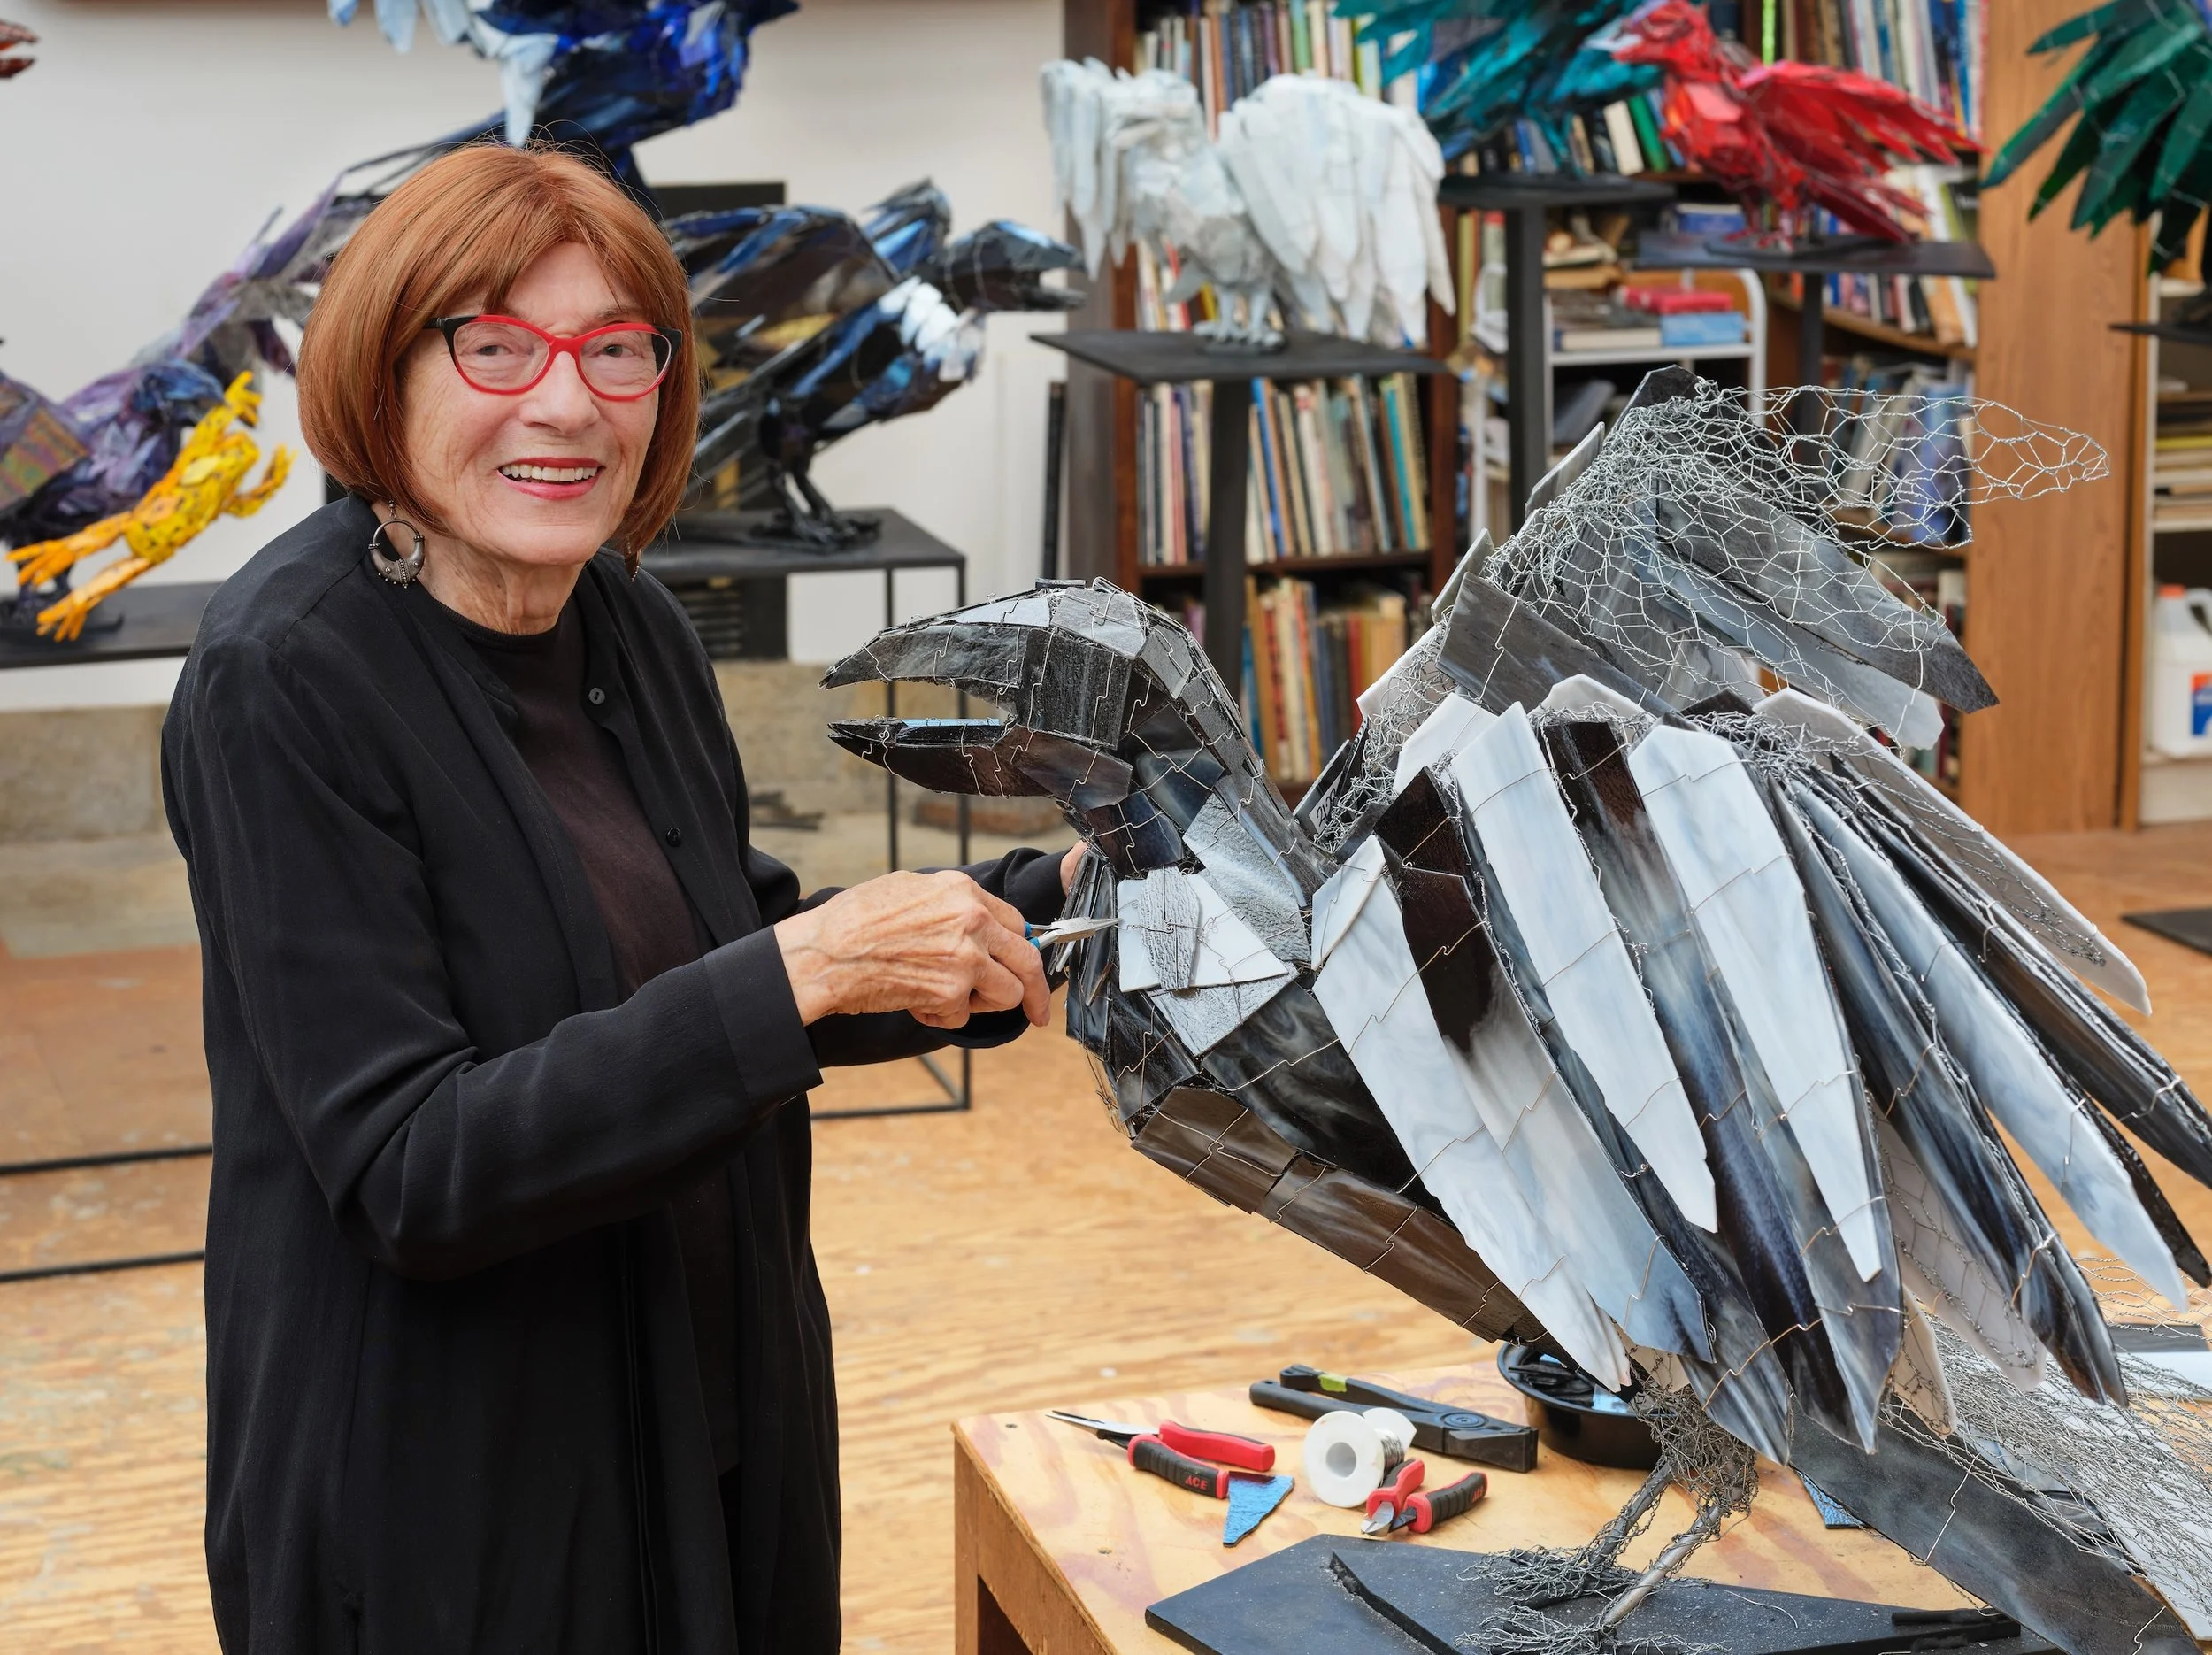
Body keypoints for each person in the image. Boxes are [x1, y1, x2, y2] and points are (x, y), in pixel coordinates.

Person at [160, 143, 1079, 1655]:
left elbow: (725, 951)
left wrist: (1044, 896)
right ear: (381, 370)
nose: (568, 401)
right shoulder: (285, 675)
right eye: (498, 345)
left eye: (618, 348)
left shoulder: (626, 617)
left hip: (703, 1411)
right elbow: (410, 1163)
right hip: (454, 1495)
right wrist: (804, 969)